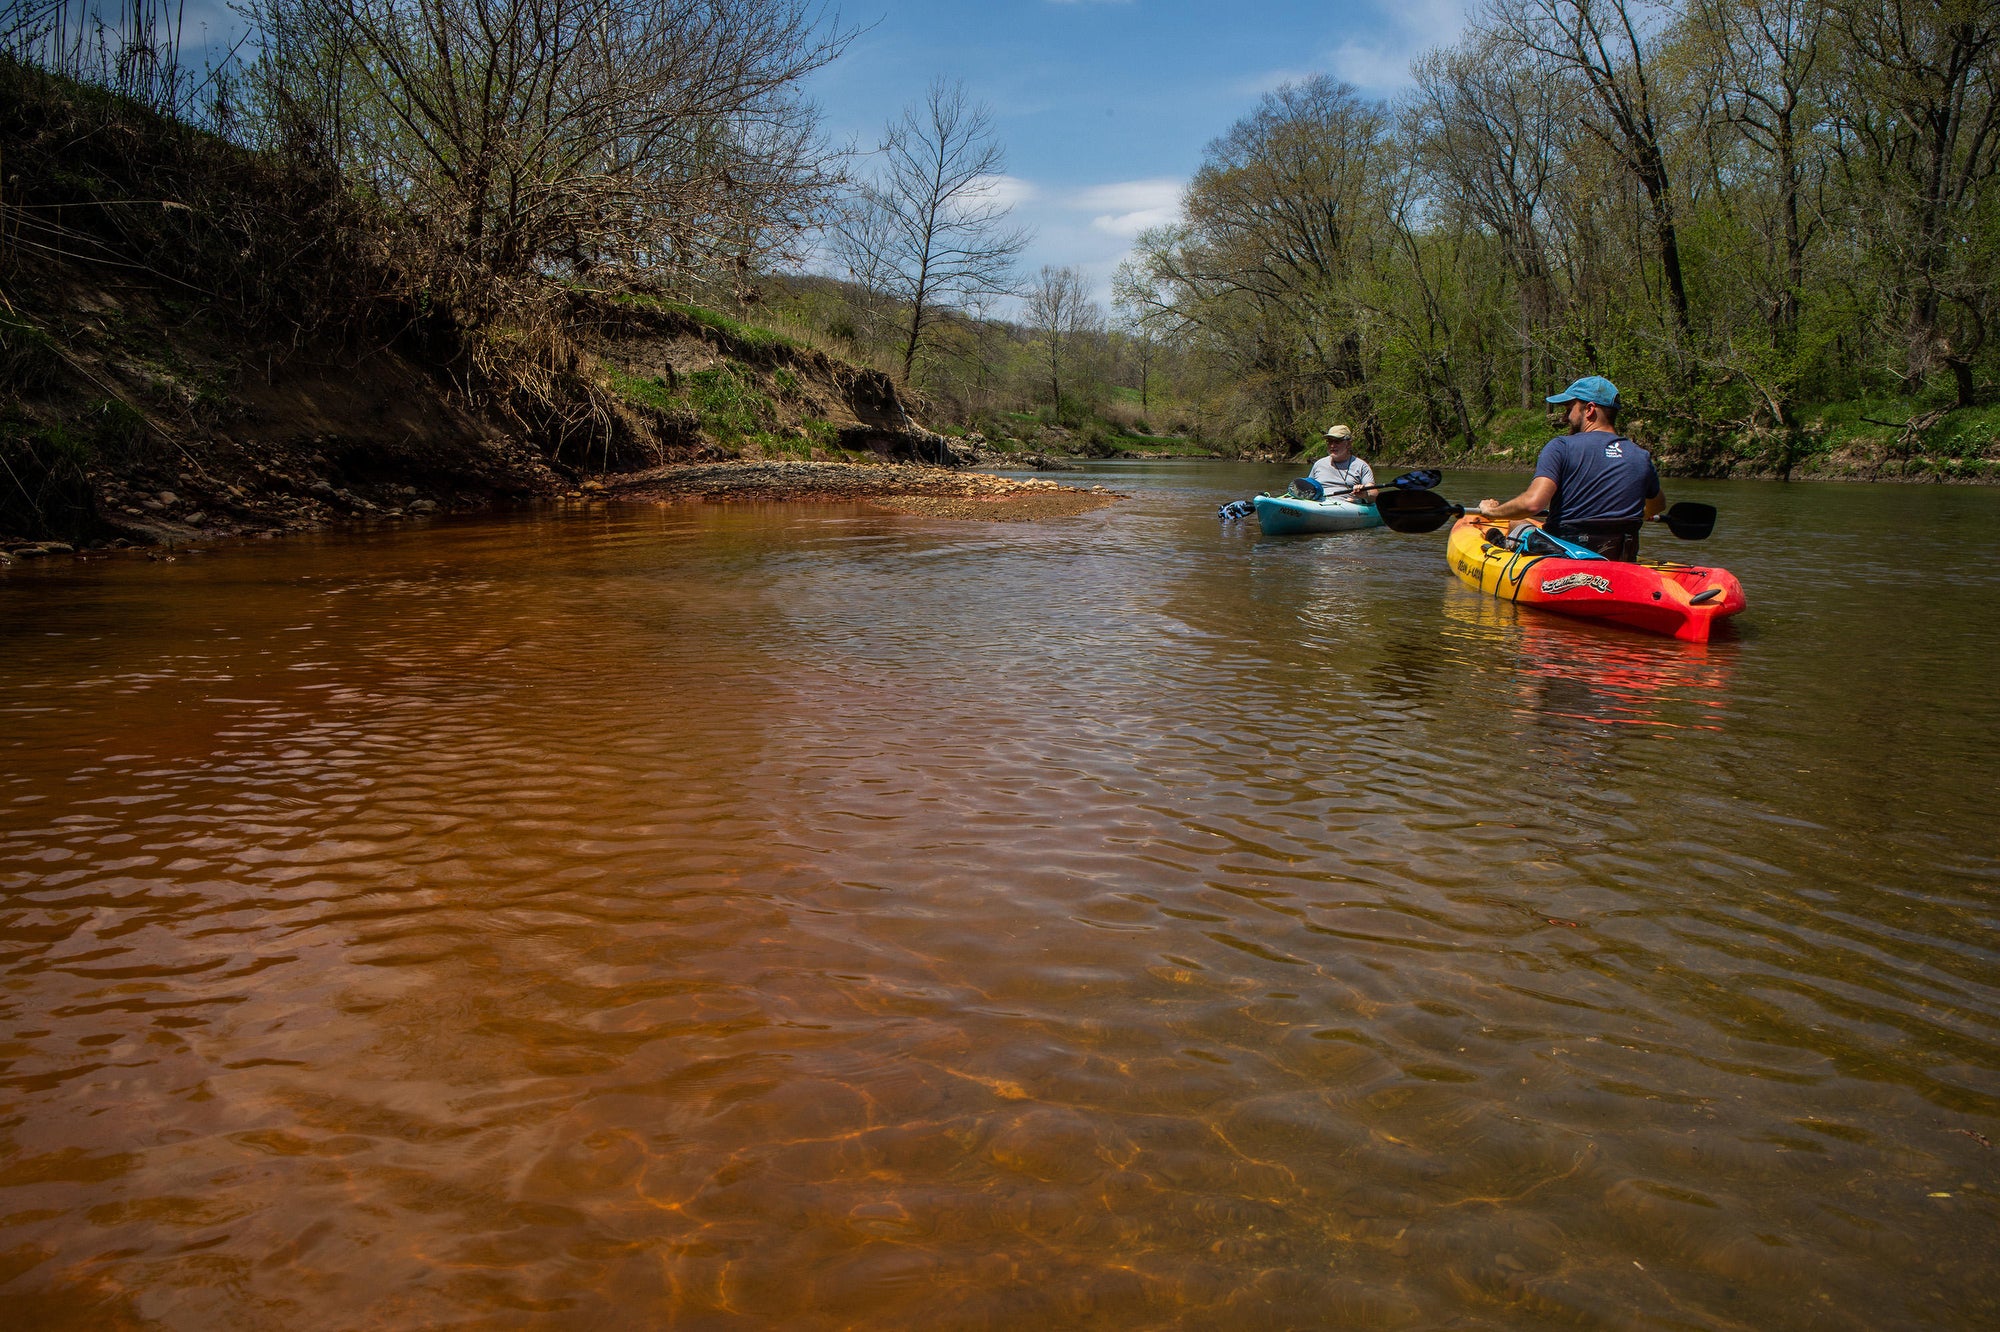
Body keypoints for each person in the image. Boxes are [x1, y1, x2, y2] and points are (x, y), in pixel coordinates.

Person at [1478, 375, 1664, 561]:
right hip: (1620, 553)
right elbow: (1657, 505)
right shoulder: (1640, 455)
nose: (1565, 417)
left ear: (1590, 409)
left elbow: (1532, 504)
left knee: (1516, 522)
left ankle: (1504, 545)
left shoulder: (1561, 447)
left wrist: (1492, 511)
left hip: (1564, 555)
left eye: (1569, 409)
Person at [1308, 424, 1376, 502]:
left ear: (1349, 444)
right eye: (1330, 441)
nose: (1332, 445)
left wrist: (1365, 494)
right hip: (1317, 505)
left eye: (1337, 441)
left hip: (1347, 507)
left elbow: (1373, 494)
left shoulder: (1362, 466)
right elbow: (1308, 487)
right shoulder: (1318, 464)